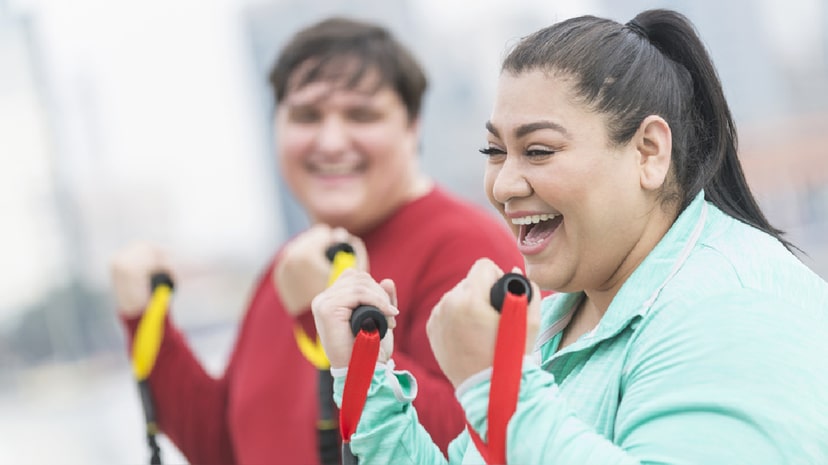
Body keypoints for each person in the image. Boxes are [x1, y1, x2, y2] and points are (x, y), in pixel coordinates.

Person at [311, 8, 828, 464]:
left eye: (538, 151)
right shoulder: (562, 315)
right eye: (494, 152)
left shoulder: (730, 308)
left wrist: (495, 386)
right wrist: (367, 377)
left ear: (648, 151)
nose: (504, 184)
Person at [109, 16, 525, 465]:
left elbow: (481, 442)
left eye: (361, 114)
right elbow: (225, 447)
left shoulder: (467, 249)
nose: (330, 141)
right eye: (306, 116)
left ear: (413, 127)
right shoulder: (289, 266)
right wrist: (144, 321)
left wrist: (326, 324)